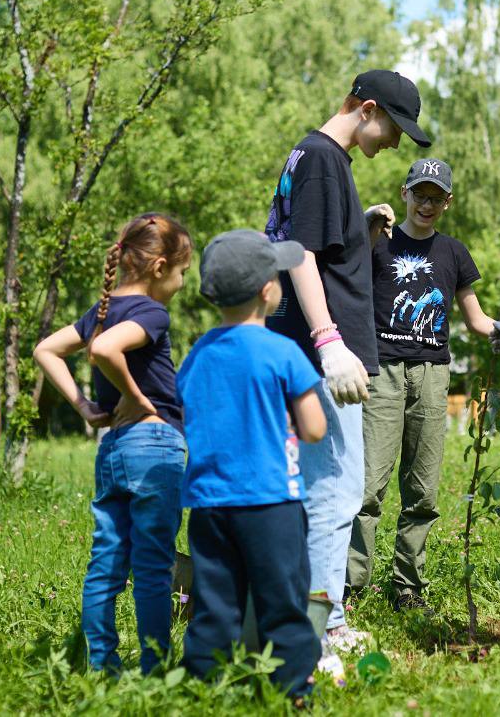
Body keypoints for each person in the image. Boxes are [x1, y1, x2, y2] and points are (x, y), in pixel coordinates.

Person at [265, 69, 432, 650]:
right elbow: (297, 252)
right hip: (321, 357)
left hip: (315, 351)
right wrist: (329, 339)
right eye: (392, 127)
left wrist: (358, 231)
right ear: (364, 109)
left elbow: (318, 244)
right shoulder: (321, 159)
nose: (394, 142)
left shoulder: (317, 160)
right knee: (335, 492)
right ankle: (319, 631)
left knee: (321, 490)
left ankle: (309, 624)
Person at [33, 213, 192, 675]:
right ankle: (155, 667)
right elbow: (105, 351)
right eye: (182, 272)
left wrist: (84, 407)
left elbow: (46, 349)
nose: (182, 284)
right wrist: (140, 399)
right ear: (159, 267)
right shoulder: (151, 312)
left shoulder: (100, 311)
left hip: (114, 447)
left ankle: (102, 666)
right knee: (153, 566)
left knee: (106, 563)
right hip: (156, 445)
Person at [176, 230, 328, 702]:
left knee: (214, 604)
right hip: (271, 503)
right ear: (268, 291)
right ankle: (293, 690)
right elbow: (316, 428)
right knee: (282, 601)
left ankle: (201, 686)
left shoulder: (197, 354)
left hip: (209, 505)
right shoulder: (282, 352)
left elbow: (187, 417)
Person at [347, 158, 494, 613]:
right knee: (369, 487)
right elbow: (343, 278)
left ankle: (407, 586)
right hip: (382, 372)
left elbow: (478, 321)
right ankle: (351, 588)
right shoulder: (378, 243)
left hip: (432, 376)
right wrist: (367, 224)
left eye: (436, 197)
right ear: (405, 192)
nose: (426, 204)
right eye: (420, 194)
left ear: (448, 202)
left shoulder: (454, 253)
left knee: (423, 489)